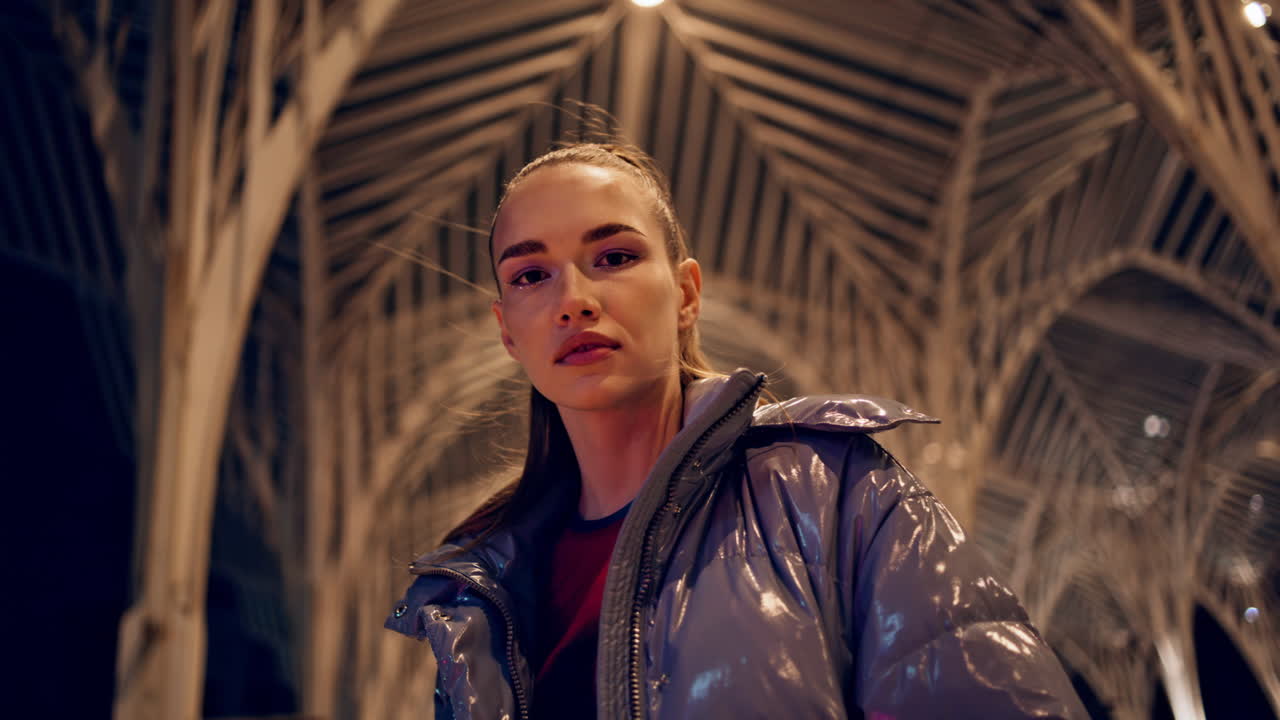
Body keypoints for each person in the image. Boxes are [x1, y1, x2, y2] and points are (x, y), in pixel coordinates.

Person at [384, 139, 1088, 719]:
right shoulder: (477, 596)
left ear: (686, 293)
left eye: (615, 258)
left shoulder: (835, 494)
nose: (574, 300)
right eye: (532, 275)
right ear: (507, 331)